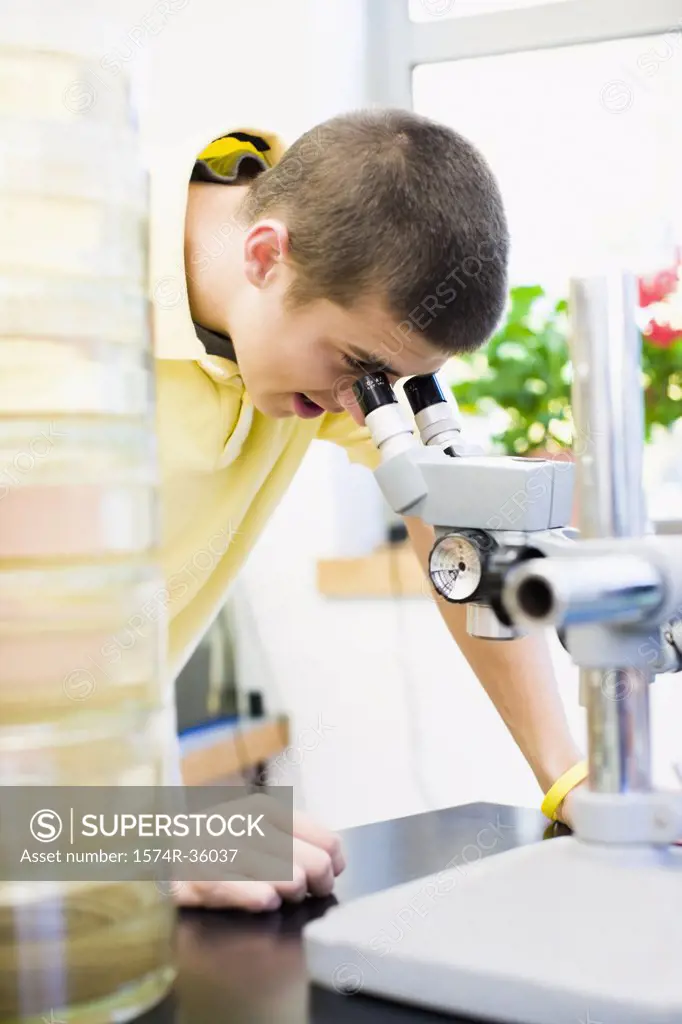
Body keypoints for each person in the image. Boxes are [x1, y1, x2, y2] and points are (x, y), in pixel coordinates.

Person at [152, 109, 585, 911]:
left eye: (392, 386)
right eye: (359, 368)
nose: (363, 409)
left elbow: (451, 521)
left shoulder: (326, 262)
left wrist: (566, 775)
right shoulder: (52, 294)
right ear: (263, 256)